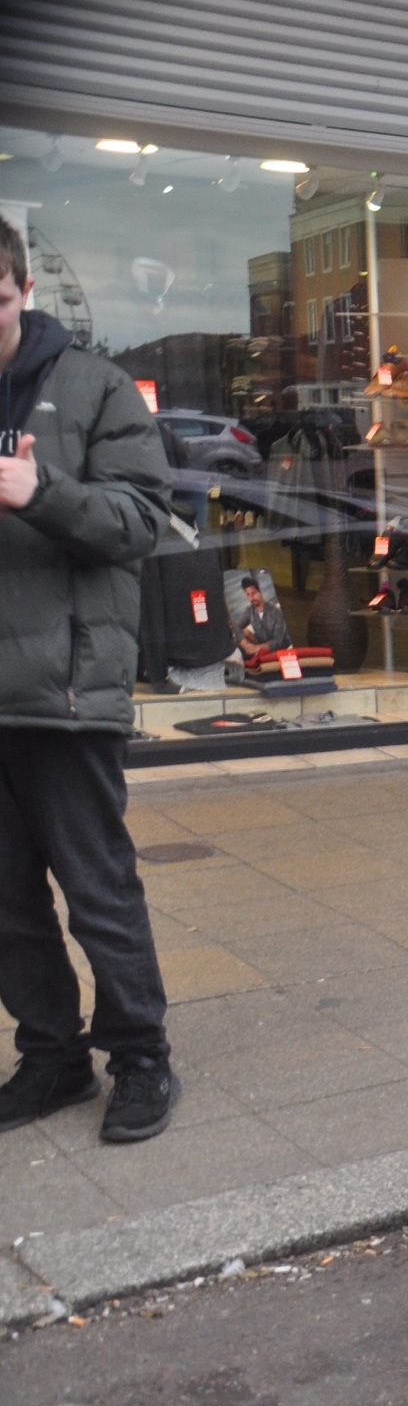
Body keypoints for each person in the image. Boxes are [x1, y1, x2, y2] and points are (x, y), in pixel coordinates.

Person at [0, 215, 182, 1143]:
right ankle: (52, 1057)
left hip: (65, 692)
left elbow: (141, 520)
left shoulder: (94, 387)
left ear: (21, 289)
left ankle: (140, 1057)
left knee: (96, 886)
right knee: (5, 900)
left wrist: (44, 495)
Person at [234, 576, 290, 662]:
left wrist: (257, 648)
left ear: (260, 591)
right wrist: (246, 645)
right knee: (242, 633)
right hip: (261, 644)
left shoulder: (276, 612)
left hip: (281, 650)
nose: (251, 598)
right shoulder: (249, 610)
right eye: (248, 595)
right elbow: (237, 627)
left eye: (253, 593)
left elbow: (278, 641)